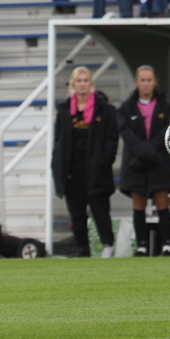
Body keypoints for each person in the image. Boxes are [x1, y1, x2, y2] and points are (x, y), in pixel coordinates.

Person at [52, 66, 119, 258]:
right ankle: (82, 248)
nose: (82, 84)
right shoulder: (64, 111)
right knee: (77, 212)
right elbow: (58, 140)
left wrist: (104, 160)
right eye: (78, 81)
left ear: (91, 84)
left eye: (85, 80)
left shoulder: (105, 109)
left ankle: (107, 244)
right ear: (73, 85)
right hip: (72, 168)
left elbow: (111, 138)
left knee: (100, 209)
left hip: (96, 167)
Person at [118, 65, 170, 256]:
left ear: (155, 82)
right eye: (142, 80)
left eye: (149, 80)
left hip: (159, 160)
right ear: (136, 82)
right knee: (139, 204)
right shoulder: (126, 107)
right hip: (136, 162)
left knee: (162, 203)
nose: (146, 84)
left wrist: (151, 150)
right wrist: (145, 151)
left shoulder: (166, 106)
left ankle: (167, 244)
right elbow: (126, 133)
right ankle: (142, 245)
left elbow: (168, 131)